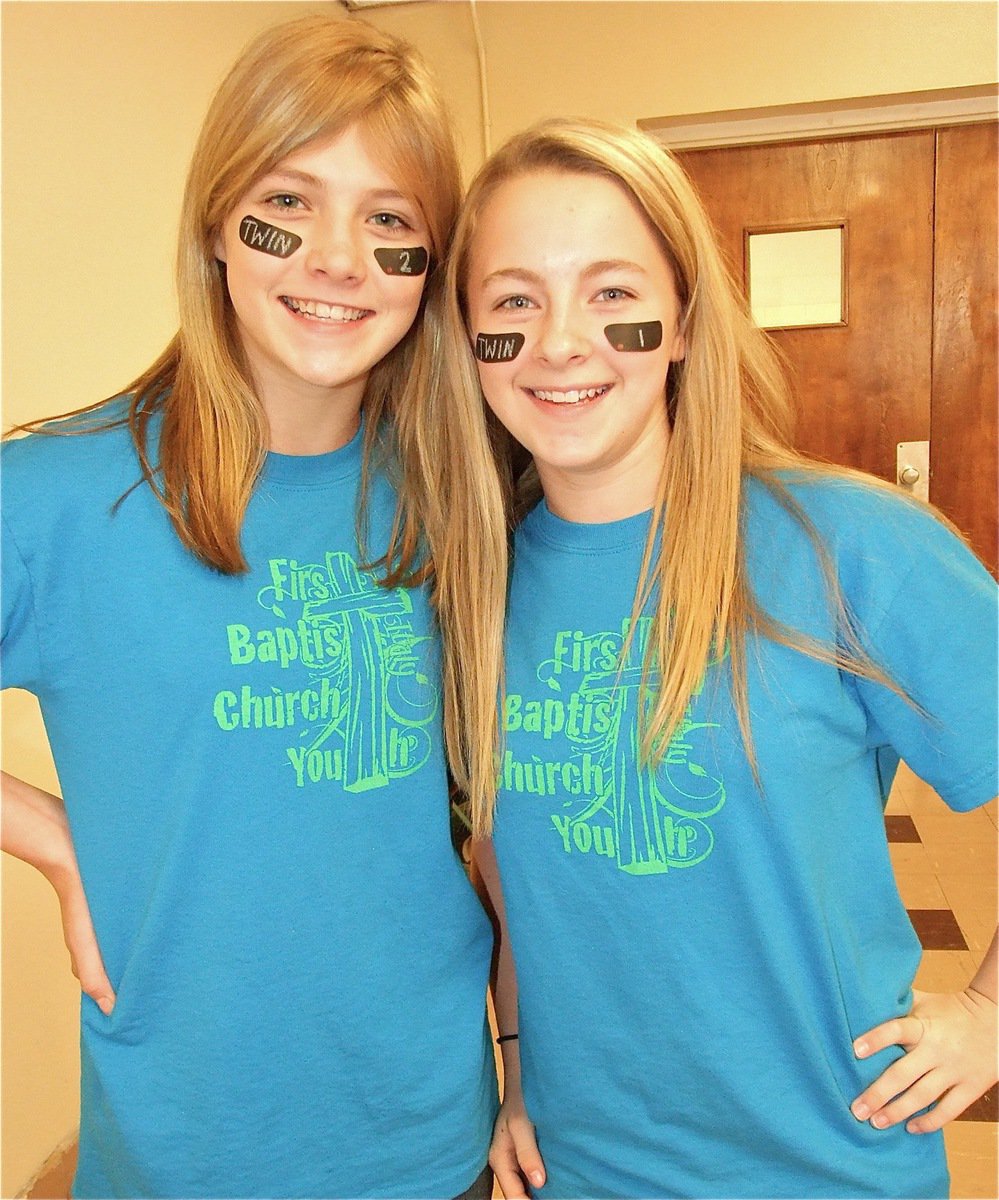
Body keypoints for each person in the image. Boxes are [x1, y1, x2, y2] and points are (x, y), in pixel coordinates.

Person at [440, 118, 999, 1198]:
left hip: (829, 1165)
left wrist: (986, 1017)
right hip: (584, 1166)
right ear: (468, 340)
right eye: (514, 300)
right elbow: (516, 877)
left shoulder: (847, 547)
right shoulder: (474, 589)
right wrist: (514, 1073)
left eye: (611, 293)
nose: (561, 341)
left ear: (685, 319)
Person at [1, 16, 505, 1199]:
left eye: (391, 221)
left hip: (433, 1137)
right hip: (185, 1147)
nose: (338, 257)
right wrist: (57, 846)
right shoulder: (60, 495)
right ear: (218, 220)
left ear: (430, 267)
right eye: (292, 198)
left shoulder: (465, 491)